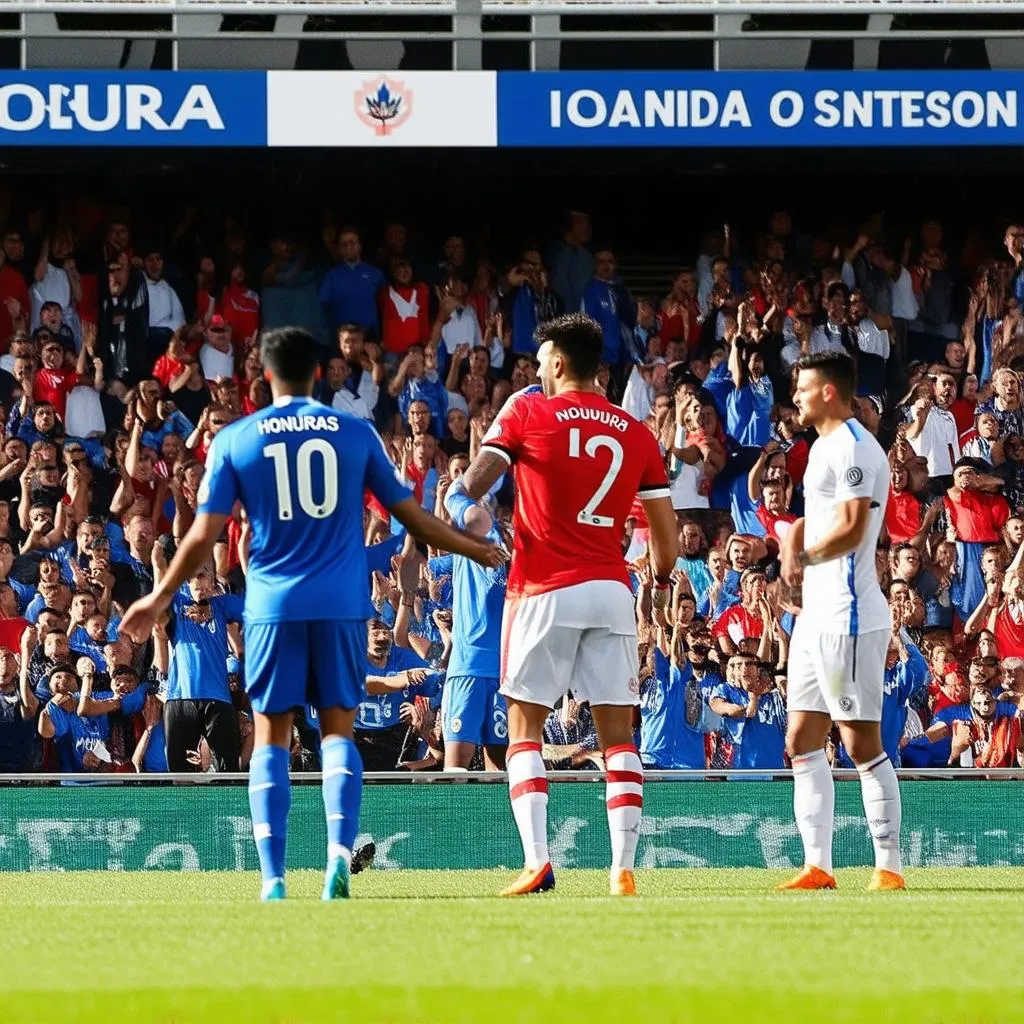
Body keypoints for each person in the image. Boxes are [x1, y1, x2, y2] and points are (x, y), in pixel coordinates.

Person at [120, 326, 506, 902]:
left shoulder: (239, 438)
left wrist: (158, 596)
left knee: (273, 735)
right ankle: (336, 860)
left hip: (274, 604)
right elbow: (412, 518)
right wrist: (476, 548)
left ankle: (274, 879)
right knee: (336, 733)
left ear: (267, 376)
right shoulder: (355, 434)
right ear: (319, 374)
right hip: (341, 602)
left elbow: (204, 534)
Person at [458, 312, 677, 897]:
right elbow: (667, 545)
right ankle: (622, 870)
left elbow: (475, 482)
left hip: (543, 587)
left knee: (524, 730)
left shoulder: (527, 412)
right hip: (610, 590)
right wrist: (655, 583)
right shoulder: (635, 430)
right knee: (618, 737)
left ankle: (537, 862)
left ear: (555, 362)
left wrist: (465, 507)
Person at [779, 351, 904, 892]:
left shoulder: (854, 446)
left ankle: (889, 867)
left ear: (829, 391)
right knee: (802, 737)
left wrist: (800, 556)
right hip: (815, 616)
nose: (797, 397)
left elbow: (854, 529)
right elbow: (824, 513)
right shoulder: (821, 447)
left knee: (859, 744)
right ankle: (818, 866)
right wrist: (794, 534)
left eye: (804, 388)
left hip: (850, 617)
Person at [440, 478, 509, 771]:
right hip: (467, 668)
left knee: (500, 772)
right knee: (456, 770)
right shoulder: (467, 542)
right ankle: (451, 819)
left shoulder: (517, 545)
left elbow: (454, 495)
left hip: (504, 672)